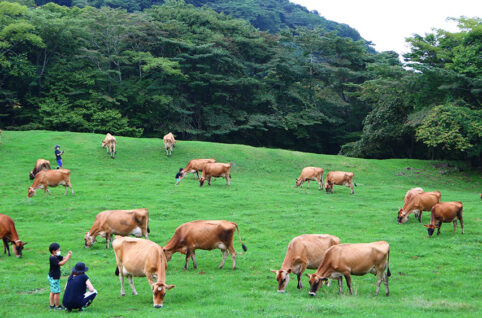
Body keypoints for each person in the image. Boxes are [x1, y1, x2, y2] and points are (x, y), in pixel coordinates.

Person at [48, 243, 72, 310]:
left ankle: (51, 305)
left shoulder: (56, 256)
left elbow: (63, 258)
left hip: (52, 276)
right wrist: (68, 257)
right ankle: (57, 306)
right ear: (53, 251)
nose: (59, 251)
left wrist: (68, 255)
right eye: (58, 250)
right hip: (54, 277)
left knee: (53, 291)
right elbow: (61, 263)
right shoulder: (52, 258)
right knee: (57, 292)